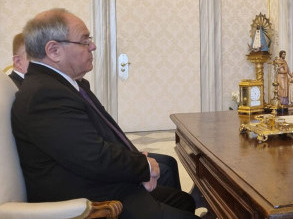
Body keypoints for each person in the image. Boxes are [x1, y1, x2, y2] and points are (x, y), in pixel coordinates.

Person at [11, 8, 206, 219]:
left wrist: (138, 160)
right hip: (91, 201)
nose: (93, 46)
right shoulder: (44, 94)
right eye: (85, 41)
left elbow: (106, 133)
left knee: (183, 201)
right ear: (54, 50)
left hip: (101, 184)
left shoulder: (66, 84)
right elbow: (92, 156)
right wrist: (144, 167)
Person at [12, 32, 181, 191]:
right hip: (79, 179)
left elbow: (103, 129)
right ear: (18, 62)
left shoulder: (66, 84)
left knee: (168, 165)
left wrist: (133, 154)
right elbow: (84, 152)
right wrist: (139, 165)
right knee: (165, 173)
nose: (92, 47)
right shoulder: (38, 92)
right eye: (33, 57)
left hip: (93, 158)